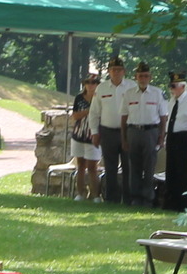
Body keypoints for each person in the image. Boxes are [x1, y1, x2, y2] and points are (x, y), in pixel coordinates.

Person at [124, 63, 167, 208]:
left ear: (150, 77)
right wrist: (123, 138)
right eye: (140, 76)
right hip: (133, 131)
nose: (143, 78)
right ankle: (135, 198)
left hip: (151, 132)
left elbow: (163, 117)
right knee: (134, 166)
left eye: (146, 76)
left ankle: (148, 199)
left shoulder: (157, 93)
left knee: (149, 167)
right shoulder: (129, 93)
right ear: (136, 77)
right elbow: (124, 116)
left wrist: (161, 136)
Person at [92, 57, 133, 203]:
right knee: (110, 168)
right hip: (107, 131)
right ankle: (111, 199)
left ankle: (129, 199)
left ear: (124, 71)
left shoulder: (132, 86)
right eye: (113, 70)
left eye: (119, 70)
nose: (116, 72)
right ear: (109, 71)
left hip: (128, 132)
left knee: (129, 166)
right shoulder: (101, 88)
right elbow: (94, 112)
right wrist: (94, 132)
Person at [160, 71, 187, 208]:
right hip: (172, 138)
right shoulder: (171, 101)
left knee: (184, 173)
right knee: (171, 171)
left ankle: (184, 204)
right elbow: (169, 121)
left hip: (184, 139)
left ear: (182, 86)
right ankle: (171, 202)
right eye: (170, 86)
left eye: (174, 86)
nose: (171, 89)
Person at [71, 75, 102, 201]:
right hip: (79, 135)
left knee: (93, 167)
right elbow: (75, 115)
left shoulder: (100, 98)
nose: (91, 85)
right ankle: (80, 193)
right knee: (81, 165)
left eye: (94, 82)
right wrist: (89, 111)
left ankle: (95, 194)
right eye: (87, 82)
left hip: (94, 135)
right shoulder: (79, 98)